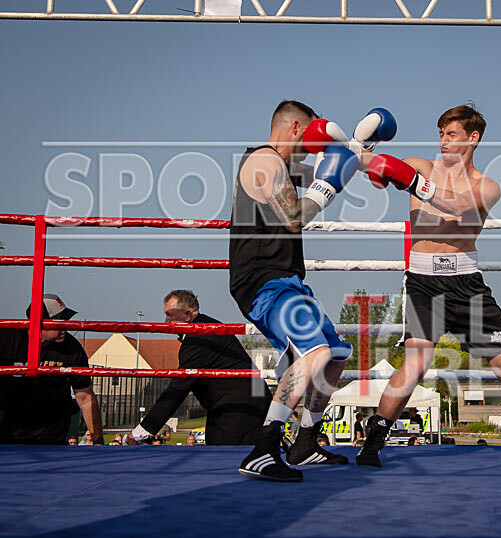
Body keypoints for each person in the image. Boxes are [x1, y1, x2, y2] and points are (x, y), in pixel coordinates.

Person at [356, 104, 501, 466]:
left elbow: (460, 208)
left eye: (452, 134)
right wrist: (361, 149)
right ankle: (372, 444)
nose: (443, 141)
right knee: (415, 364)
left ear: (473, 138)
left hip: (467, 284)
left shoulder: (486, 186)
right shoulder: (419, 166)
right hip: (423, 282)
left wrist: (413, 183)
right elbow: (375, 171)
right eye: (441, 134)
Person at [231, 101, 395, 481]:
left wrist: (357, 151)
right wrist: (328, 183)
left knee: (335, 354)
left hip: (287, 281)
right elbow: (294, 217)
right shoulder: (264, 161)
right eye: (309, 137)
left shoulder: (285, 166)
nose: (312, 147)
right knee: (314, 352)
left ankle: (305, 442)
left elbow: (336, 169)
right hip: (263, 282)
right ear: (293, 128)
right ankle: (263, 449)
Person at [124, 290, 269, 446]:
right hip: (233, 408)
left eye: (170, 315)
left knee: (225, 456)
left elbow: (178, 388)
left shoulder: (200, 338)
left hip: (241, 411)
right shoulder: (204, 329)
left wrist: (143, 431)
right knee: (217, 451)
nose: (166, 321)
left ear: (187, 315)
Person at [0, 294, 104, 445]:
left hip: (51, 436)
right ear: (39, 322)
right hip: (7, 433)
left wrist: (98, 440)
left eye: (65, 320)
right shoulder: (7, 339)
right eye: (58, 321)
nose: (65, 326)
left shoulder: (72, 348)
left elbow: (85, 397)